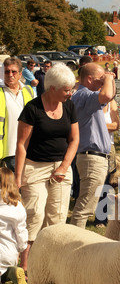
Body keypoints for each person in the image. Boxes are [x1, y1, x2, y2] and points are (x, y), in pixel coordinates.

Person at [15, 63, 79, 273]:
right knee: (34, 215)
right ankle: (26, 265)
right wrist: (18, 178)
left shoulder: (69, 106)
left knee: (58, 217)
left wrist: (63, 167)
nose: (70, 93)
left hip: (62, 167)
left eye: (70, 89)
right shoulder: (32, 108)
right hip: (34, 168)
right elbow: (21, 145)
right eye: (66, 89)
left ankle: (54, 265)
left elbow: (75, 139)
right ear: (52, 88)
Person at [70, 62, 115, 229]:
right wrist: (109, 78)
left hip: (93, 157)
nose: (102, 82)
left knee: (85, 204)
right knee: (84, 207)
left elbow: (109, 94)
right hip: (92, 157)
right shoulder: (83, 96)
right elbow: (107, 96)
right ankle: (74, 242)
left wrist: (108, 79)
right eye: (99, 79)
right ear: (89, 79)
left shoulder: (84, 96)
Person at [0, 57, 34, 171]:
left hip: (29, 149)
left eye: (13, 72)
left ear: (20, 74)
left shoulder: (28, 91)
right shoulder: (1, 92)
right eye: (7, 71)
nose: (10, 75)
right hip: (8, 150)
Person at [0, 167, 27, 284]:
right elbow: (21, 231)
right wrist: (21, 248)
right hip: (9, 253)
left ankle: (6, 275)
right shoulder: (17, 206)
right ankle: (10, 272)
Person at [94, 97, 120, 227]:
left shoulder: (111, 104)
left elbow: (116, 125)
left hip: (109, 147)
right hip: (92, 147)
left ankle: (101, 217)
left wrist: (97, 126)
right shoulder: (91, 101)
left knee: (106, 183)